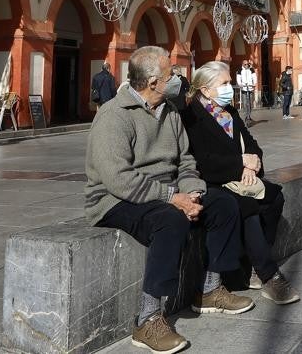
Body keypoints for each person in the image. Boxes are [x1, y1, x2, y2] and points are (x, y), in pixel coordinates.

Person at [85, 46, 253, 353]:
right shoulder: (113, 116)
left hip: (166, 190)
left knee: (223, 203)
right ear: (152, 82)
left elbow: (186, 161)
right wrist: (171, 198)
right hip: (115, 199)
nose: (177, 78)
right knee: (169, 220)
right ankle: (148, 318)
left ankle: (210, 289)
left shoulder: (170, 112)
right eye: (171, 73)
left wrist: (193, 191)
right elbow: (118, 179)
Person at [181, 61, 300, 305]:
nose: (230, 88)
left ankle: (254, 266)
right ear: (205, 90)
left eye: (229, 82)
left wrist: (252, 163)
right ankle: (269, 275)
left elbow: (252, 143)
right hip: (213, 182)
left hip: (241, 177)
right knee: (247, 207)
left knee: (274, 197)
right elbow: (200, 160)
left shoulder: (231, 113)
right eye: (224, 83)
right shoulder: (191, 116)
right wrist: (239, 163)